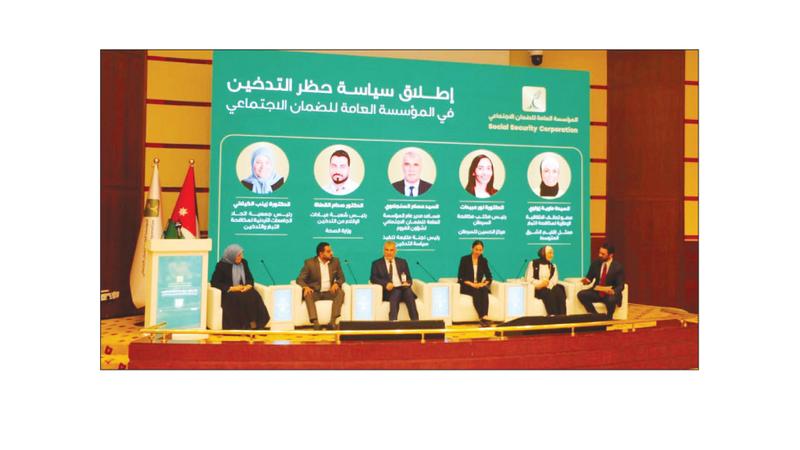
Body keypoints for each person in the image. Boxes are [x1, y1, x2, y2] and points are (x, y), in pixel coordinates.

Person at [210, 244, 270, 330]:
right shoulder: (221, 265)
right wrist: (232, 288)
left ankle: (256, 324)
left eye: (241, 254)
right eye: (238, 255)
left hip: (243, 289)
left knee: (253, 294)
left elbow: (249, 278)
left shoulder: (244, 263)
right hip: (229, 293)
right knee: (239, 298)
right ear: (232, 255)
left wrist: (248, 286)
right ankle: (244, 326)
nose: (241, 257)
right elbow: (215, 283)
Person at [296, 242, 346, 330]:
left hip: (330, 292)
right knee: (307, 293)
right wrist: (305, 287)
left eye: (331, 251)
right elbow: (300, 279)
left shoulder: (335, 261)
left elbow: (342, 278)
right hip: (315, 292)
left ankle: (332, 322)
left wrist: (337, 283)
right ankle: (315, 323)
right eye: (328, 251)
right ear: (321, 253)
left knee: (340, 292)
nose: (332, 253)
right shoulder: (310, 263)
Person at [370, 241, 419, 321]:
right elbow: (373, 278)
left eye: (391, 250)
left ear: (395, 251)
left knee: (408, 292)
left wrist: (407, 283)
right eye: (387, 250)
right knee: (397, 292)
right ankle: (393, 323)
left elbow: (409, 278)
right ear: (383, 250)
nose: (389, 252)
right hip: (388, 292)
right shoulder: (376, 263)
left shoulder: (402, 262)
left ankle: (416, 323)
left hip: (403, 289)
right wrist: (385, 284)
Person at [578, 243, 626, 319]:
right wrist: (586, 281)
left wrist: (613, 291)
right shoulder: (595, 263)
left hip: (609, 294)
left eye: (603, 254)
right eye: (599, 253)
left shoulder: (618, 267)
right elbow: (589, 278)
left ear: (610, 255)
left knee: (611, 300)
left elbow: (621, 285)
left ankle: (609, 317)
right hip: (597, 292)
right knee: (581, 294)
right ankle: (595, 315)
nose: (600, 255)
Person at [457, 240, 493, 327]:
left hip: (479, 285)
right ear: (472, 248)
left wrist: (482, 284)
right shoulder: (464, 259)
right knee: (476, 291)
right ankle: (482, 317)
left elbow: (489, 276)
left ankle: (485, 316)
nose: (478, 252)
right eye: (476, 249)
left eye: (480, 250)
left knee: (484, 290)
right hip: (467, 285)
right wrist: (472, 284)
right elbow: (460, 276)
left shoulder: (483, 260)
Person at [526, 245, 567, 316]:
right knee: (547, 293)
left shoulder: (553, 266)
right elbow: (529, 278)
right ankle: (553, 315)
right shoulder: (533, 263)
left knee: (559, 291)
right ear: (543, 253)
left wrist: (548, 284)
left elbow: (555, 279)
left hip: (549, 286)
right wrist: (540, 283)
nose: (552, 255)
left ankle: (562, 316)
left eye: (552, 253)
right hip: (539, 289)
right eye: (549, 253)